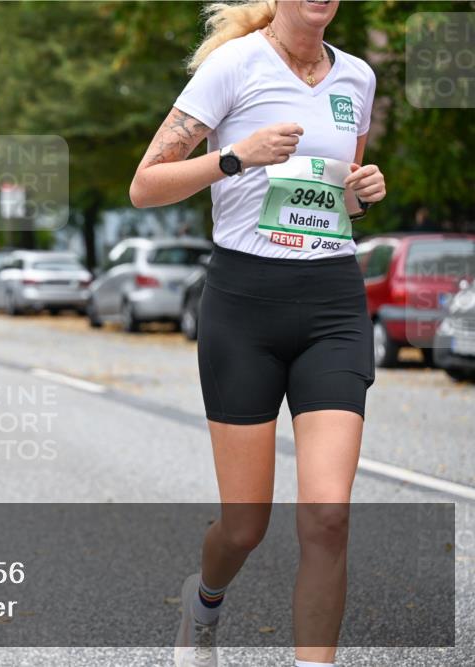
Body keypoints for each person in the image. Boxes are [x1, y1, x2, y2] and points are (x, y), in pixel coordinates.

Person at [128, 2, 386, 666]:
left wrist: (362, 189)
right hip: (244, 306)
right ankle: (204, 603)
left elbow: (336, 194)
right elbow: (145, 186)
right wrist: (235, 157)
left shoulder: (356, 77)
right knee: (245, 525)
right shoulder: (232, 68)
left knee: (328, 515)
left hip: (331, 301)